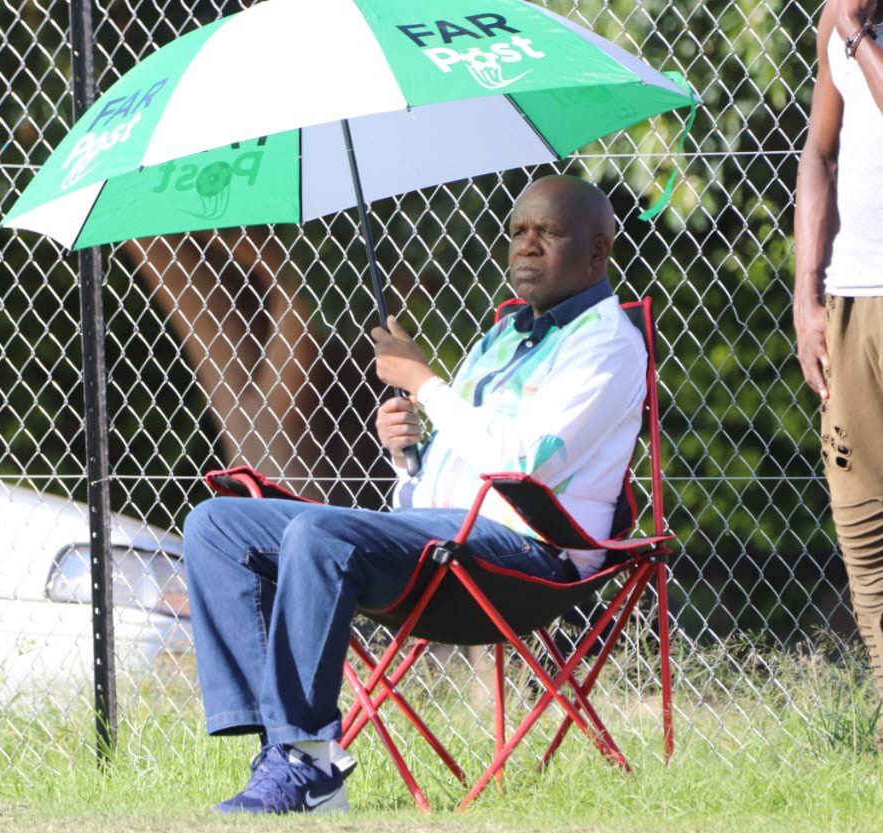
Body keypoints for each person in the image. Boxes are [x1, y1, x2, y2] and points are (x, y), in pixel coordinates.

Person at [183, 175, 647, 814]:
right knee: (218, 525)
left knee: (318, 535)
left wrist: (424, 382)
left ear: (598, 252)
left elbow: (520, 463)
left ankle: (306, 766)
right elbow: (445, 476)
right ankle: (288, 752)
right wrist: (407, 454)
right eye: (518, 232)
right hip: (446, 541)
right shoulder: (501, 339)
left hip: (528, 560)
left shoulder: (608, 344)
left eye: (550, 233)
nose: (527, 247)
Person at [794, 0, 883, 703]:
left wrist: (855, 35)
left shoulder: (849, 26)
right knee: (862, 524)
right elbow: (819, 154)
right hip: (852, 297)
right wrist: (806, 297)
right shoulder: (836, 21)